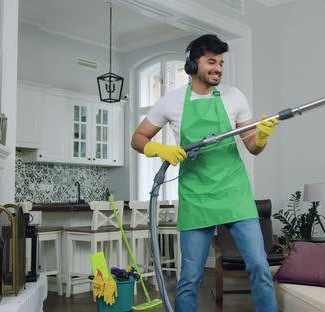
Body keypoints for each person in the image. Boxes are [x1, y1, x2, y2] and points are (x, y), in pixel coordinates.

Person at [131, 34, 279, 312]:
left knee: (259, 266)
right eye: (211, 61)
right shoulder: (171, 102)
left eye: (221, 63)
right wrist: (159, 149)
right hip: (196, 196)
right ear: (192, 63)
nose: (218, 68)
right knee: (190, 277)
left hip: (234, 194)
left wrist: (260, 138)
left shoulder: (234, 96)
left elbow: (251, 145)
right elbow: (137, 138)